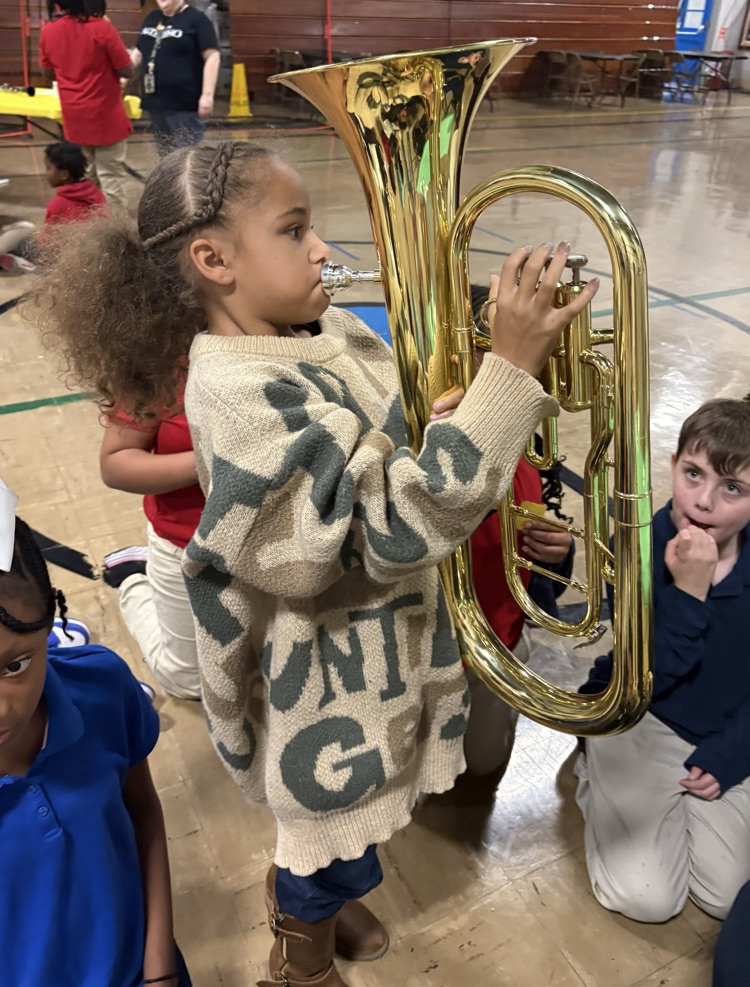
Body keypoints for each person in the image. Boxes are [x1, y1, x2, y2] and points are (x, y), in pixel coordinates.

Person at [27, 139, 598, 987]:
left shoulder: (319, 327)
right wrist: (509, 372)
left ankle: (319, 896)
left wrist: (446, 415)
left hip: (374, 657)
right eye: (295, 230)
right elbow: (390, 527)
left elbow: (371, 444)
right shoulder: (235, 393)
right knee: (331, 843)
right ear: (213, 260)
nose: (323, 248)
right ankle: (299, 946)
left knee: (360, 834)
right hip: (318, 698)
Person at [576, 396, 750, 924]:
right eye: (692, 474)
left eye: (733, 489)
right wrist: (689, 591)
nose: (703, 503)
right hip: (644, 714)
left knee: (725, 897)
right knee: (647, 898)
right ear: (672, 466)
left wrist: (732, 753)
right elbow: (650, 672)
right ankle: (593, 764)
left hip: (724, 725)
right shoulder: (634, 548)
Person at [0, 513, 191, 986]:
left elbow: (142, 811)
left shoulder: (102, 688)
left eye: (15, 665)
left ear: (48, 623)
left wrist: (160, 968)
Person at [461, 283, 575, 778]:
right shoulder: (409, 446)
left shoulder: (529, 457)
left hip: (498, 649)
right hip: (425, 656)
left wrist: (558, 552)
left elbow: (535, 560)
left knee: (483, 767)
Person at [99, 390, 204, 700]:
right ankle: (132, 577)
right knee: (188, 682)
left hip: (281, 544)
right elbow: (116, 465)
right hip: (186, 544)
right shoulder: (163, 361)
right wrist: (214, 459)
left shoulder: (310, 344)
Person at [39, 0, 134, 213]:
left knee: (84, 178)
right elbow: (127, 70)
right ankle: (117, 232)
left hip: (74, 117)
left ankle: (88, 224)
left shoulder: (49, 31)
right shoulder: (101, 27)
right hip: (106, 116)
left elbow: (47, 72)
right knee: (111, 177)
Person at [0, 141, 107, 273]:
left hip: (63, 257)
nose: (46, 173)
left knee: (23, 241)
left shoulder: (58, 203)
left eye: (49, 168)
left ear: (64, 174)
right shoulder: (97, 194)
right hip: (93, 255)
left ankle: (25, 262)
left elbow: (45, 240)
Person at [131, 0, 220, 155]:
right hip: (156, 102)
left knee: (185, 157)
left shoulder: (197, 19)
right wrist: (122, 75)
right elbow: (139, 52)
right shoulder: (152, 18)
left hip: (184, 104)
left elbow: (213, 56)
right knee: (165, 154)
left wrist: (207, 95)